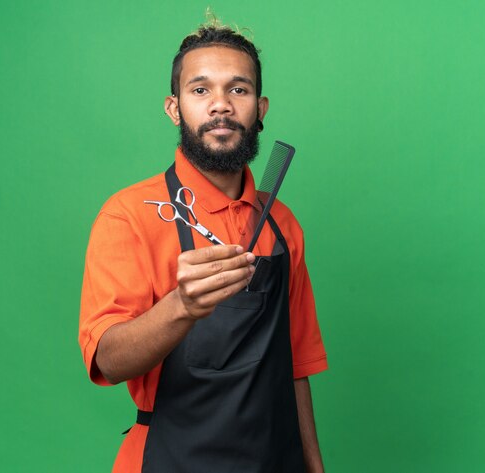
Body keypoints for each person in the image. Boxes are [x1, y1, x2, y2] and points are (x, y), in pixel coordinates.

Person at [79, 20, 329, 473]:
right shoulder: (129, 214)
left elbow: (296, 365)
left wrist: (314, 467)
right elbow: (108, 361)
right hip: (170, 459)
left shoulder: (282, 223)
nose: (220, 105)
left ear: (261, 107)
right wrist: (182, 305)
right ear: (174, 109)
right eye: (200, 91)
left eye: (238, 90)